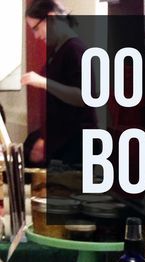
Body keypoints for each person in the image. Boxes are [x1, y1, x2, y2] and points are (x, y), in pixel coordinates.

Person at [22, 0, 96, 165]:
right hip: (65, 144)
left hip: (77, 147)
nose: (36, 35)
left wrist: (43, 82)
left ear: (51, 18)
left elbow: (83, 96)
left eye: (36, 28)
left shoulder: (75, 49)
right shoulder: (58, 49)